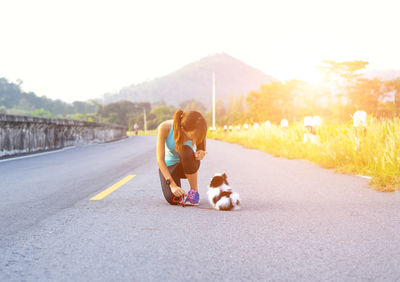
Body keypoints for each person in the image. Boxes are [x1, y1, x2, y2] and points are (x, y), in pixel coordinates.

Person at [157, 109, 208, 206]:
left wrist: (200, 154)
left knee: (184, 150)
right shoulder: (164, 128)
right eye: (192, 136)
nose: (195, 139)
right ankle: (180, 193)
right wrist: (172, 185)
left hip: (188, 164)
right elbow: (160, 160)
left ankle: (194, 192)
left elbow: (200, 150)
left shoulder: (198, 128)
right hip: (170, 165)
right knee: (173, 199)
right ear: (182, 128)